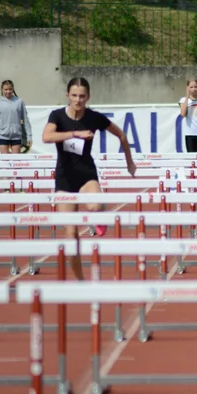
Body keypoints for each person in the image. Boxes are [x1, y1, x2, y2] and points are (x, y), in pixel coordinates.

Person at [42, 76, 137, 281]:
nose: (78, 100)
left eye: (82, 96)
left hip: (86, 174)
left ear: (88, 97)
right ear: (67, 95)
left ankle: (99, 216)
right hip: (64, 178)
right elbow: (47, 137)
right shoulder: (57, 116)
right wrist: (74, 133)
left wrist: (129, 162)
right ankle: (80, 281)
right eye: (74, 96)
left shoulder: (94, 117)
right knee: (71, 236)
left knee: (94, 206)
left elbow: (121, 135)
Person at [0, 79, 32, 154]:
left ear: (13, 89)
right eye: (6, 89)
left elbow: (25, 120)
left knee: (16, 162)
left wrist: (29, 136)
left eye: (10, 89)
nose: (8, 91)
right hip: (3, 135)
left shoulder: (19, 101)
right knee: (5, 161)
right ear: (2, 90)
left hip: (16, 135)